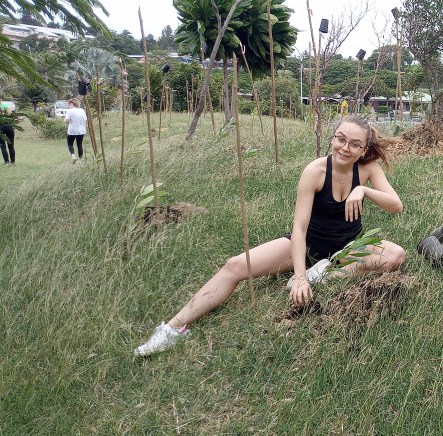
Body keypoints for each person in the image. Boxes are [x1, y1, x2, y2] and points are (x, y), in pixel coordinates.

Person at [134, 114, 406, 357]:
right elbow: (299, 228)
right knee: (235, 266)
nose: (345, 148)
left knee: (395, 255)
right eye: (341, 139)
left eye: (355, 144)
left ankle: (325, 274)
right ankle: (173, 328)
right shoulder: (315, 171)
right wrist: (300, 277)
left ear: (364, 150)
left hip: (349, 247)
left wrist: (363, 190)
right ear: (332, 138)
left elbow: (396, 206)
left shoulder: (368, 169)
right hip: (308, 244)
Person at [64, 98, 87, 163]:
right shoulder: (82, 111)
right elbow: (85, 119)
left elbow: (66, 120)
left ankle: (73, 156)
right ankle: (81, 158)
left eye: (69, 104)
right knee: (79, 145)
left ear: (71, 104)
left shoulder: (70, 111)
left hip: (72, 130)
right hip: (81, 130)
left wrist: (66, 120)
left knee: (70, 144)